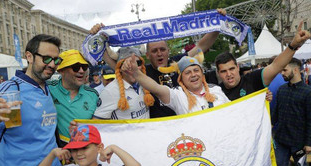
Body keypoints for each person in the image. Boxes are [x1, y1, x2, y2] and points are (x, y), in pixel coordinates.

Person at [90, 9, 226, 118]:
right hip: (159, 130)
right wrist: (97, 38)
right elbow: (118, 65)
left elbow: (201, 46)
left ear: (168, 51)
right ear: (147, 55)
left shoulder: (178, 63)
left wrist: (217, 25)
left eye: (162, 50)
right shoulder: (142, 71)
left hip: (185, 121)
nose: (159, 53)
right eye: (154, 51)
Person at [0, 34, 66, 166]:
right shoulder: (10, 89)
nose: (52, 64)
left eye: (56, 59)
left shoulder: (47, 87)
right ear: (29, 56)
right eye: (46, 58)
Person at [213, 21, 310, 101]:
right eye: (223, 71)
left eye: (231, 69)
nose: (229, 74)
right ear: (218, 73)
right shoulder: (216, 94)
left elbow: (276, 66)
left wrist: (293, 45)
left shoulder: (252, 80)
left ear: (238, 67)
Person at [122, 50, 229, 115]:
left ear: (202, 74)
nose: (193, 75)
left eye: (196, 70)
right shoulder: (177, 95)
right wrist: (136, 73)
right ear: (180, 79)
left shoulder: (216, 90)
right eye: (187, 72)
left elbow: (234, 110)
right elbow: (155, 88)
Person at [272, 58, 311, 166]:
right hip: (281, 140)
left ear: (295, 70)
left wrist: (308, 142)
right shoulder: (281, 90)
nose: (282, 73)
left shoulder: (308, 93)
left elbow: (310, 119)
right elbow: (276, 114)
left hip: (299, 142)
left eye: (284, 70)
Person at [48, 49, 99, 145]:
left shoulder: (93, 95)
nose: (81, 71)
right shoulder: (47, 89)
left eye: (84, 67)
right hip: (57, 153)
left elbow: (100, 126)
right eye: (75, 67)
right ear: (61, 71)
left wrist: (84, 131)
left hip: (84, 151)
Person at [93, 47, 154, 119]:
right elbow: (97, 122)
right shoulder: (110, 91)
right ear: (120, 67)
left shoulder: (145, 83)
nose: (133, 67)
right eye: (127, 63)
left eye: (138, 63)